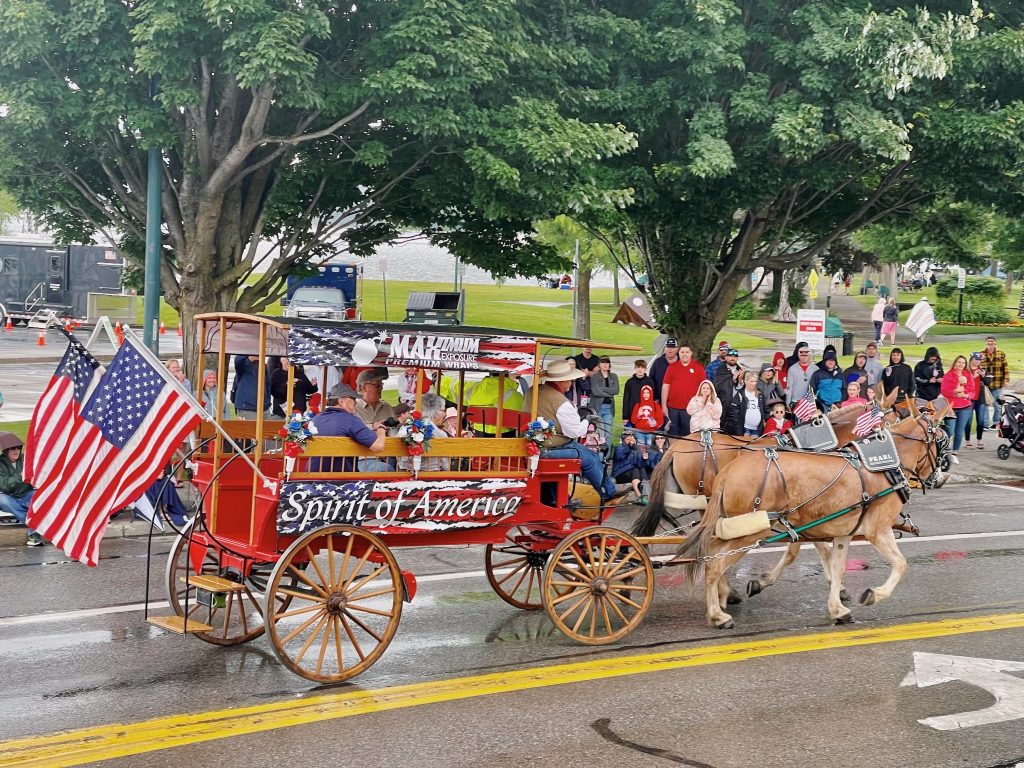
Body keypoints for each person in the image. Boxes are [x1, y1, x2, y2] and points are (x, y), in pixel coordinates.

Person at [534, 360, 617, 503]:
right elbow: (575, 432)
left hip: (536, 443)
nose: (572, 382)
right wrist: (587, 420)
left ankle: (554, 498)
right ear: (562, 381)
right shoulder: (561, 403)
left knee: (586, 453)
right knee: (590, 458)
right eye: (570, 380)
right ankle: (608, 492)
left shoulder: (534, 391)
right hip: (551, 447)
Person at [309, 383, 387, 473]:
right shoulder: (351, 420)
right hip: (344, 478)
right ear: (341, 402)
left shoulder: (316, 419)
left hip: (312, 475)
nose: (356, 402)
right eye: (353, 399)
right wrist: (381, 428)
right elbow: (378, 446)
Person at [0, 433, 44, 546]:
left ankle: (34, 533)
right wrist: (22, 476)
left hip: (26, 493)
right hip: (7, 496)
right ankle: (36, 527)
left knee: (39, 496)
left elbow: (35, 477)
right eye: (13, 448)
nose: (16, 451)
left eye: (18, 447)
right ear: (5, 450)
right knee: (3, 500)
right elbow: (5, 486)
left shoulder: (26, 460)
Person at [661, 344, 706, 436]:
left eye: (687, 352)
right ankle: (673, 450)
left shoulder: (698, 368)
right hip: (673, 408)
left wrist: (701, 406)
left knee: (687, 435)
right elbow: (665, 386)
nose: (684, 354)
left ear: (691, 353)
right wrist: (664, 405)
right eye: (682, 352)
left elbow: (704, 388)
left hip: (691, 409)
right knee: (672, 434)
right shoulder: (672, 367)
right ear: (679, 353)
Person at [397, 393, 449, 472]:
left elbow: (400, 458)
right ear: (434, 410)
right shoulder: (439, 434)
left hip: (404, 471)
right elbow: (445, 465)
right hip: (432, 474)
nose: (445, 414)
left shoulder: (406, 426)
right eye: (443, 410)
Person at [940, 355, 975, 464]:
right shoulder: (948, 375)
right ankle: (945, 450)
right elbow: (944, 391)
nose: (961, 364)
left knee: (959, 431)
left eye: (963, 363)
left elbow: (972, 391)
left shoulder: (968, 375)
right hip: (951, 407)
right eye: (959, 362)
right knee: (949, 431)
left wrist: (967, 395)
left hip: (965, 407)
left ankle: (954, 453)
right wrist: (955, 392)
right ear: (955, 363)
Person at [589, 355, 620, 455]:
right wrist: (610, 392)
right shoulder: (595, 376)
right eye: (603, 362)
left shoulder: (613, 376)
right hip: (598, 408)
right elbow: (595, 391)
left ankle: (606, 457)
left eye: (607, 362)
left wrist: (603, 388)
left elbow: (616, 390)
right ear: (599, 364)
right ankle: (599, 457)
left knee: (608, 434)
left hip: (608, 408)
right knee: (599, 434)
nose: (605, 364)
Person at [622, 359, 655, 446]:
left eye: (642, 368)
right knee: (633, 439)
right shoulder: (630, 382)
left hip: (646, 415)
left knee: (646, 440)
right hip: (632, 414)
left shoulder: (650, 382)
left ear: (645, 369)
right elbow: (626, 400)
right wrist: (625, 417)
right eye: (638, 367)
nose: (640, 370)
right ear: (635, 368)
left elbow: (653, 399)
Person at [612, 430, 649, 504]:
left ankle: (645, 495)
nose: (631, 439)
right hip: (620, 473)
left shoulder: (637, 449)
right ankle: (639, 495)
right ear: (623, 439)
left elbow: (640, 464)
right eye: (628, 438)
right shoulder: (619, 447)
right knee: (635, 469)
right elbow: (620, 456)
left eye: (632, 437)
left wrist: (643, 459)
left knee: (642, 469)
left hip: (634, 473)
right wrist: (629, 447)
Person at [964, 353, 991, 449]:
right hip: (969, 399)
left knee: (981, 421)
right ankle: (967, 441)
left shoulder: (982, 369)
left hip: (980, 398)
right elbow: (963, 383)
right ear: (971, 359)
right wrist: (974, 376)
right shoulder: (966, 370)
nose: (978, 361)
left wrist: (983, 376)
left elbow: (988, 383)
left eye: (979, 360)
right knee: (968, 421)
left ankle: (979, 440)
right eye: (976, 359)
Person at [726, 371, 766, 437]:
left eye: (755, 381)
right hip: (744, 429)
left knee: (755, 446)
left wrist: (764, 421)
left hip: (757, 429)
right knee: (744, 446)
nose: (753, 383)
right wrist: (737, 429)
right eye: (751, 381)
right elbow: (733, 413)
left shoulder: (760, 394)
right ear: (745, 381)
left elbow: (765, 409)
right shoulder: (740, 394)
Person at [982, 336, 1009, 429]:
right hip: (985, 384)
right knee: (984, 404)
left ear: (995, 343)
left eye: (992, 341)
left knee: (997, 404)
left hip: (998, 383)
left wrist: (1006, 380)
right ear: (986, 343)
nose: (990, 343)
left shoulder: (1001, 353)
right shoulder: (981, 354)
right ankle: (985, 424)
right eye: (988, 341)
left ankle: (996, 423)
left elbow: (1005, 367)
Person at [232, 354, 270, 419]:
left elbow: (267, 386)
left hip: (264, 408)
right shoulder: (243, 365)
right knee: (250, 429)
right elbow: (237, 360)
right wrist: (250, 352)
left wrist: (267, 402)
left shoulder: (264, 366)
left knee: (268, 429)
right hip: (248, 408)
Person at [649, 338, 680, 404]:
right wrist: (654, 397)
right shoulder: (657, 363)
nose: (670, 349)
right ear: (664, 349)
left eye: (673, 347)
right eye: (668, 347)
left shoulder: (682, 362)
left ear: (677, 349)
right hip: (660, 400)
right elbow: (651, 380)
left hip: (678, 401)